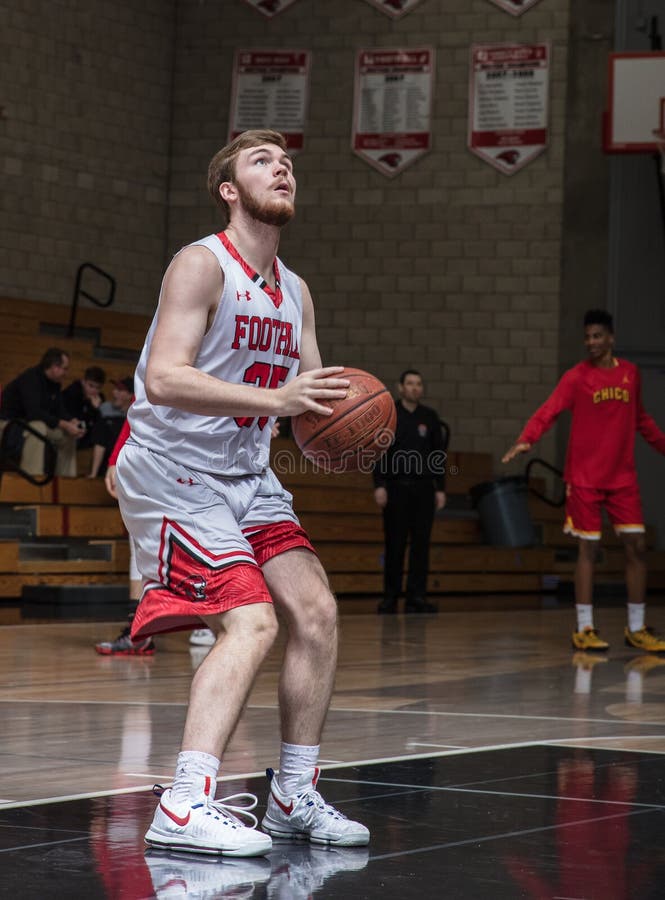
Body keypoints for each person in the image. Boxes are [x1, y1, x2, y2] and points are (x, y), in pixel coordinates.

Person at [114, 129, 370, 856]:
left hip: (247, 473)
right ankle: (185, 803)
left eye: (286, 161)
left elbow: (312, 402)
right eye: (261, 161)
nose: (280, 167)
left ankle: (292, 794)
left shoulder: (296, 292)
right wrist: (280, 402)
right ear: (229, 190)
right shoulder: (200, 265)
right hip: (171, 468)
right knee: (251, 621)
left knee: (315, 612)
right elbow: (164, 377)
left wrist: (346, 427)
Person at [502, 309, 665, 653]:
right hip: (585, 478)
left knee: (636, 546)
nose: (591, 342)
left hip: (621, 478)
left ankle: (636, 628)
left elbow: (641, 419)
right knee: (588, 549)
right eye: (587, 337)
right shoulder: (576, 377)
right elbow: (550, 409)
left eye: (597, 336)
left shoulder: (631, 375)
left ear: (611, 338)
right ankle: (585, 627)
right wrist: (527, 437)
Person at [94, 416, 215, 655]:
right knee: (141, 544)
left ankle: (213, 619)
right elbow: (139, 406)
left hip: (203, 457)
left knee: (205, 537)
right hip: (153, 457)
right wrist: (116, 457)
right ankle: (138, 631)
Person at [372, 370, 446, 614]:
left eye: (419, 383)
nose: (415, 388)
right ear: (400, 387)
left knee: (421, 545)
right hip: (396, 489)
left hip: (424, 490)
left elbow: (438, 456)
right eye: (410, 383)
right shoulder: (389, 415)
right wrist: (380, 485)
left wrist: (441, 489)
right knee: (394, 544)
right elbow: (379, 452)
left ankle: (416, 598)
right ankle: (390, 597)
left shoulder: (430, 417)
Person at [0, 347, 85, 476]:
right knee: (38, 427)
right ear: (54, 367)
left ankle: (65, 479)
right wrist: (63, 424)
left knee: (68, 435)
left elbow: (59, 410)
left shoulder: (55, 384)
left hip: (28, 426)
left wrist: (71, 421)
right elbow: (34, 413)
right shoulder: (30, 379)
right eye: (65, 368)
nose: (66, 373)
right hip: (8, 425)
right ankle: (32, 475)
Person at [87, 376, 134, 478]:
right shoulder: (105, 407)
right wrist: (95, 410)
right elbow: (93, 428)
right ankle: (94, 474)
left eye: (120, 390)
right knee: (103, 428)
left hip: (124, 449)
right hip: (106, 447)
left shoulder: (134, 412)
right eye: (115, 389)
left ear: (130, 395)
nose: (114, 392)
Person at [62, 365, 106, 449]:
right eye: (91, 386)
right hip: (68, 428)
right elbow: (75, 418)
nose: (94, 390)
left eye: (98, 388)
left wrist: (95, 409)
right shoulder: (73, 392)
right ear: (83, 382)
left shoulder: (100, 398)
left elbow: (97, 422)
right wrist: (92, 408)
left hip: (86, 433)